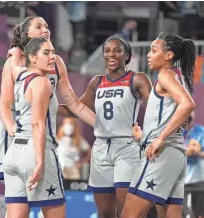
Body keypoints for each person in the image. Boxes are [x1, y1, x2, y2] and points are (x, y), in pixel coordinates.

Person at [59, 35, 152, 217]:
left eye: (117, 50)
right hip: (100, 147)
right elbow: (76, 110)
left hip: (126, 146)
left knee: (128, 211)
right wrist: (47, 105)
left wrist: (149, 135)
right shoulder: (96, 82)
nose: (111, 54)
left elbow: (157, 108)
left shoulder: (137, 79)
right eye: (107, 50)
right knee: (105, 212)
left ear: (127, 56)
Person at [0, 15, 95, 181]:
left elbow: (75, 104)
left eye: (46, 26)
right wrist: (13, 130)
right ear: (27, 34)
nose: (45, 30)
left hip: (43, 135)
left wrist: (103, 126)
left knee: (45, 196)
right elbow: (4, 106)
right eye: (39, 27)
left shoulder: (57, 63)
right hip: (17, 136)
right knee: (18, 200)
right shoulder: (15, 62)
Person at [121, 32, 196, 218]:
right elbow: (177, 114)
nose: (148, 54)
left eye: (154, 50)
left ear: (169, 55)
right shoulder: (180, 77)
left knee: (129, 215)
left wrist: (159, 138)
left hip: (162, 153)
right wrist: (144, 137)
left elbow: (188, 105)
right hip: (176, 155)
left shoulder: (166, 75)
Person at [3, 37, 65, 218]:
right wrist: (40, 162)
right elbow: (38, 124)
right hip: (35, 150)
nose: (52, 57)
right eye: (46, 53)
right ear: (32, 58)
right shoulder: (42, 82)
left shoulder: (20, 76)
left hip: (14, 151)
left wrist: (14, 54)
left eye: (53, 52)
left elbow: (14, 67)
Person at [182, 111, 204, 218]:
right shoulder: (176, 132)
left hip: (199, 178)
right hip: (180, 179)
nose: (189, 117)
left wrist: (196, 152)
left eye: (191, 114)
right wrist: (186, 153)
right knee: (181, 213)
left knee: (201, 213)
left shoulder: (202, 132)